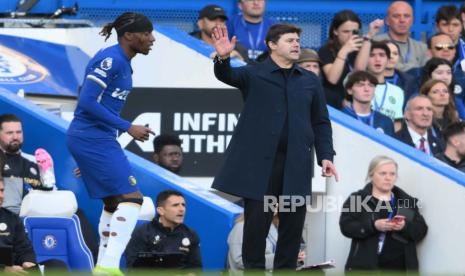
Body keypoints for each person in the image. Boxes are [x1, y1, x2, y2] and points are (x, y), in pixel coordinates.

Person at [211, 23, 338, 270]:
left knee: (291, 232)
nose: (296, 44)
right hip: (260, 168)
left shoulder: (310, 81)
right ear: (272, 45)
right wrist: (223, 57)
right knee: (256, 229)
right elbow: (226, 75)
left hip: (296, 166)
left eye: (297, 41)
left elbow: (321, 122)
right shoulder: (253, 73)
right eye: (290, 40)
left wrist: (326, 156)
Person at [66, 12, 155, 275]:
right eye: (146, 33)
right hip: (91, 137)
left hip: (97, 140)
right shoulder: (111, 59)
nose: (152, 39)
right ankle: (108, 266)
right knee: (133, 199)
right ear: (129, 35)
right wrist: (128, 126)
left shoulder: (125, 61)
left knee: (114, 203)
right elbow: (86, 102)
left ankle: (103, 266)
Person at [339, 155, 428, 272]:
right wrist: (373, 225)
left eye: (392, 174)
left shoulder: (406, 201)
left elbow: (421, 230)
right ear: (371, 175)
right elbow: (346, 227)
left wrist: (404, 226)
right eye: (383, 173)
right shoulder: (357, 199)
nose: (388, 178)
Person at [318, 10, 383, 109]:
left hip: (355, 104)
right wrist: (344, 51)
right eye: (345, 31)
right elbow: (332, 78)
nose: (350, 36)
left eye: (354, 32)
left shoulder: (362, 46)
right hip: (332, 104)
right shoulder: (326, 50)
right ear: (335, 31)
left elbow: (359, 71)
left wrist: (369, 36)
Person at [125, 190, 202, 269]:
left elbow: (196, 268)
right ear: (161, 211)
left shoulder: (191, 234)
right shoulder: (142, 232)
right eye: (175, 205)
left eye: (183, 205)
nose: (181, 209)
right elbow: (133, 267)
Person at [0, 114, 51, 214]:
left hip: (36, 217)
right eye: (9, 133)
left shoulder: (36, 161)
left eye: (19, 132)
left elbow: (51, 192)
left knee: (78, 213)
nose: (15, 137)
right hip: (7, 218)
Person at [227, 212, 305, 272]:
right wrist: (283, 257)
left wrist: (293, 259)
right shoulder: (241, 227)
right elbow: (240, 261)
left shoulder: (272, 227)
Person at [375, 1, 428, 75]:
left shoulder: (422, 48)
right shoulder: (376, 42)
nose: (402, 20)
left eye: (406, 16)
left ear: (412, 21)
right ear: (387, 21)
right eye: (396, 16)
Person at [0, 177, 37, 273]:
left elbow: (25, 249)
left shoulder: (12, 218)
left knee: (56, 264)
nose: (1, 195)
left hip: (15, 269)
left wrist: (28, 261)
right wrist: (4, 269)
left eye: (2, 191)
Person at [342, 71, 395, 136]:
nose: (367, 89)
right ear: (349, 90)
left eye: (371, 85)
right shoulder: (342, 115)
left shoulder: (385, 121)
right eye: (361, 85)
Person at [367, 41, 405, 129]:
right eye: (372, 55)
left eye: (382, 55)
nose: (377, 59)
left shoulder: (398, 91)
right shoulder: (358, 86)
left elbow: (397, 124)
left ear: (388, 60)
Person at [384, 40, 418, 104]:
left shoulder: (409, 81)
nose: (391, 56)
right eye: (387, 53)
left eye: (395, 53)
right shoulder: (370, 79)